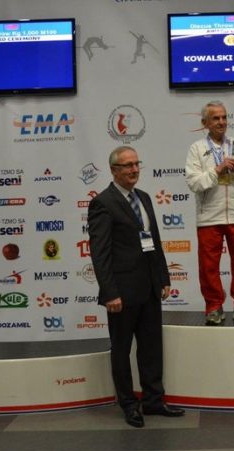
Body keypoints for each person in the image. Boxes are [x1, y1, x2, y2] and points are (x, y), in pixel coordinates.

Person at [88, 146, 184, 428]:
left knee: (151, 348)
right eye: (127, 165)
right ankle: (129, 405)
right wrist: (110, 293)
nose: (133, 170)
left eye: (136, 164)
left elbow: (153, 240)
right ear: (114, 170)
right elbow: (100, 253)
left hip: (150, 288)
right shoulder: (102, 203)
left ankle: (153, 401)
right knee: (121, 351)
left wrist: (163, 277)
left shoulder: (143, 197)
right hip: (122, 293)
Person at [185, 101, 234, 326]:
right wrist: (217, 169)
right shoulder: (197, 148)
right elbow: (194, 183)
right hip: (209, 217)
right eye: (216, 118)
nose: (221, 122)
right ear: (205, 123)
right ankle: (213, 307)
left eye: (224, 117)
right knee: (209, 268)